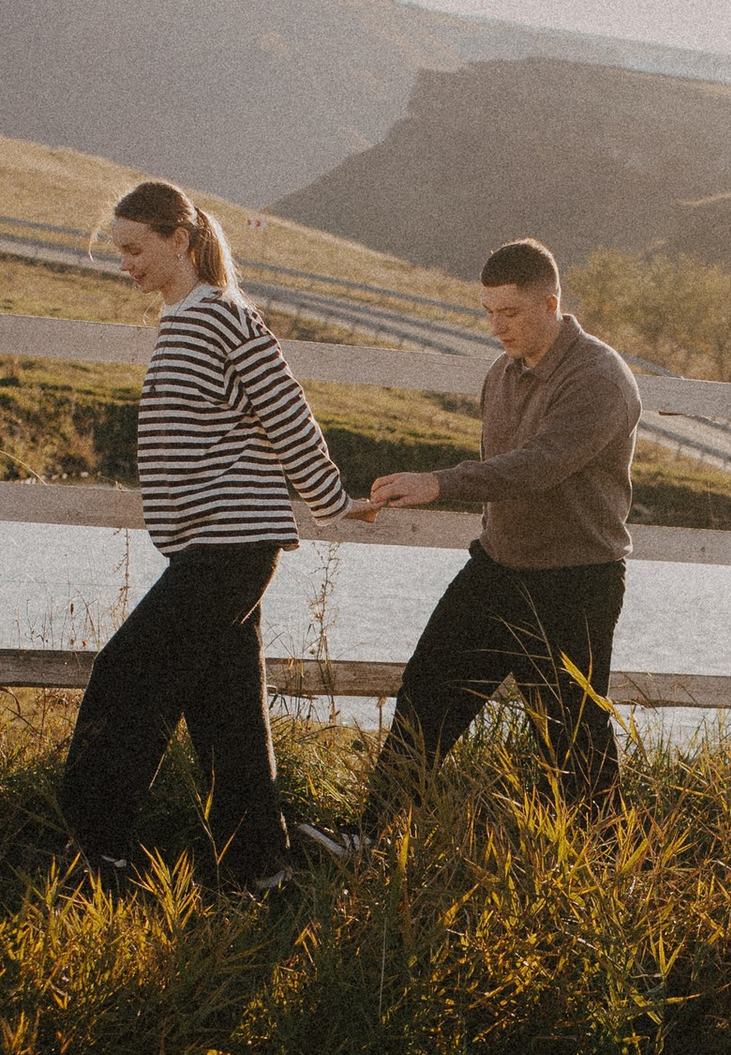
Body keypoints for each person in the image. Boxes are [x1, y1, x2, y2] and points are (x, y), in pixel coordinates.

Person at [60, 179, 356, 893]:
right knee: (226, 713)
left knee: (126, 679)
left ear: (179, 241)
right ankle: (261, 870)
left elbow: (286, 415)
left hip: (233, 549)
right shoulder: (182, 321)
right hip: (205, 548)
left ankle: (97, 856)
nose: (125, 263)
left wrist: (332, 502)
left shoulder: (224, 316)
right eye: (120, 250)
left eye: (135, 248)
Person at [358, 237, 641, 823]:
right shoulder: (502, 372)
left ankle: (609, 867)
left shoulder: (600, 377)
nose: (496, 327)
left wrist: (439, 483)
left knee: (572, 741)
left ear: (550, 304)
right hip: (496, 568)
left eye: (509, 313)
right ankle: (367, 838)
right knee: (426, 698)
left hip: (574, 582)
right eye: (488, 312)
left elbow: (540, 466)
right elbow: (502, 470)